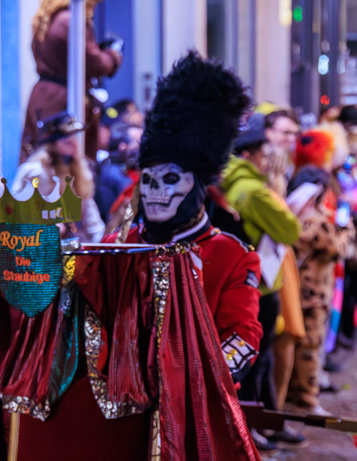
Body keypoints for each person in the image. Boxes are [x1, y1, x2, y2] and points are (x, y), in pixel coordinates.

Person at [106, 51, 262, 382]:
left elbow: (243, 336)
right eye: (147, 180)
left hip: (194, 410)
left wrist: (194, 377)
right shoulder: (119, 247)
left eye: (171, 178)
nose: (154, 191)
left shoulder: (232, 256)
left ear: (199, 187)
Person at [219, 113, 301, 430]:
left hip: (244, 279)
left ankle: (260, 424)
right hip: (261, 283)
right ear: (249, 154)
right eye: (264, 154)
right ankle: (253, 425)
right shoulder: (255, 190)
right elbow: (290, 230)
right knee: (258, 357)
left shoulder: (230, 185)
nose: (269, 160)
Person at [20, 0, 123, 161]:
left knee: (39, 159)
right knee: (62, 166)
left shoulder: (53, 17)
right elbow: (94, 63)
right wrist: (113, 56)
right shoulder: (71, 20)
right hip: (63, 102)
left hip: (47, 97)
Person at [285, 167, 350, 415]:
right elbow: (337, 249)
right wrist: (347, 232)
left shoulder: (298, 214)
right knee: (310, 347)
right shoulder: (316, 220)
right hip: (313, 293)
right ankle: (307, 399)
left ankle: (296, 393)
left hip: (301, 290)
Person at [13, 112, 105, 242]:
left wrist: (104, 241)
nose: (73, 143)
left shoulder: (78, 172)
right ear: (52, 143)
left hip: (73, 251)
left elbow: (93, 224)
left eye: (74, 137)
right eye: (67, 138)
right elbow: (16, 214)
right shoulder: (35, 172)